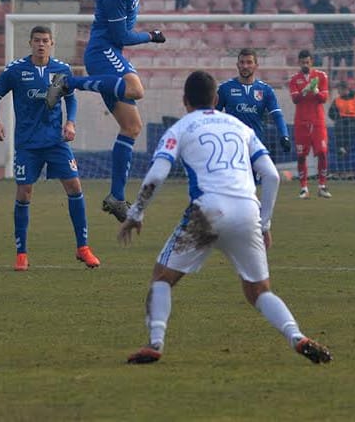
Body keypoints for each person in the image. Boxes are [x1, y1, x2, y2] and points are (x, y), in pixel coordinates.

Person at [118, 70, 332, 366]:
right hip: (247, 211)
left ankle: (155, 342)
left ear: (185, 100)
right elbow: (271, 176)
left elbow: (157, 173)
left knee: (162, 277)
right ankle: (297, 336)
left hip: (207, 212)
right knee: (258, 291)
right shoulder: (240, 127)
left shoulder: (181, 128)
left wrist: (136, 212)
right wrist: (264, 222)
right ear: (216, 99)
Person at [42, 0, 167, 221]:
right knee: (136, 89)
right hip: (102, 52)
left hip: (110, 52)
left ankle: (116, 197)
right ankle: (67, 82)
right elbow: (121, 36)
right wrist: (151, 36)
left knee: (132, 127)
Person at [0, 26, 101, 271]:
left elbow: (70, 97)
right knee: (24, 192)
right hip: (27, 144)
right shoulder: (16, 70)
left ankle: (83, 248)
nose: (41, 44)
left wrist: (70, 122)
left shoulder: (61, 70)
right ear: (30, 43)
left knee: (74, 186)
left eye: (45, 41)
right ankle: (21, 254)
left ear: (52, 44)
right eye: (37, 40)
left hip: (56, 142)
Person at [216, 48, 291, 156]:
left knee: (257, 173)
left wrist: (284, 136)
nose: (245, 66)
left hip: (255, 145)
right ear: (237, 65)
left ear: (256, 65)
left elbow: (277, 115)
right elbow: (213, 114)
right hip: (233, 144)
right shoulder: (225, 88)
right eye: (242, 62)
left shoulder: (266, 90)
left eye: (249, 62)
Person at [288, 49, 330, 199]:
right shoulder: (294, 79)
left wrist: (316, 90)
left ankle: (322, 186)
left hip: (318, 122)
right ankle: (304, 188)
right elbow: (295, 99)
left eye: (307, 62)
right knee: (301, 155)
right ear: (299, 62)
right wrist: (305, 91)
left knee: (322, 153)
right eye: (302, 62)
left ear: (311, 61)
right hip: (301, 122)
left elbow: (324, 98)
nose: (305, 65)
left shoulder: (321, 76)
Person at [328, 80, 355, 159]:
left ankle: (346, 149)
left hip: (354, 119)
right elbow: (330, 113)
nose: (338, 91)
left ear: (346, 89)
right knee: (338, 128)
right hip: (341, 120)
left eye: (339, 89)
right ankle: (341, 148)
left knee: (351, 129)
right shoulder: (337, 100)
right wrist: (337, 118)